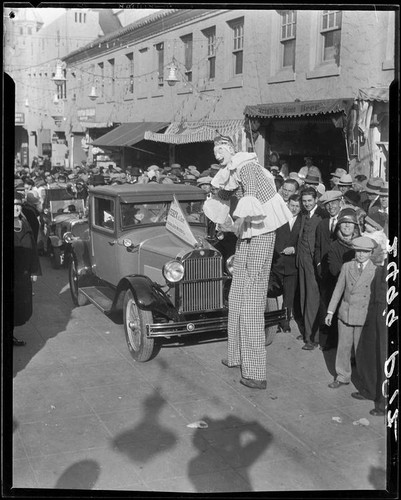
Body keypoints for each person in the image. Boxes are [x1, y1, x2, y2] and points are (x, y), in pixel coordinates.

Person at [205, 134, 292, 389]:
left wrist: (233, 222)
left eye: (219, 149)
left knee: (252, 303)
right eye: (214, 149)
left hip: (262, 233)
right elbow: (225, 194)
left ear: (230, 148)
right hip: (248, 234)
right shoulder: (232, 171)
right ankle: (236, 356)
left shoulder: (248, 167)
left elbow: (250, 200)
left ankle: (256, 373)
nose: (216, 154)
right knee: (236, 297)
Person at [325, 236, 377, 389]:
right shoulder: (347, 267)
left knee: (361, 350)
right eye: (358, 251)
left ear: (371, 253)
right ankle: (342, 376)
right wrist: (330, 312)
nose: (361, 254)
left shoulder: (375, 271)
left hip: (363, 316)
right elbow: (338, 290)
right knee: (343, 347)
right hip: (345, 314)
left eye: (365, 252)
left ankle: (366, 382)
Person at [353, 260, 388, 416]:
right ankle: (370, 389)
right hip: (375, 300)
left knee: (384, 356)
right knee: (367, 348)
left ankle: (384, 402)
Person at [296, 186, 328, 350]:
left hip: (313, 261)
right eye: (304, 201)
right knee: (303, 296)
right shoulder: (303, 213)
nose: (307, 204)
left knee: (313, 299)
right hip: (301, 259)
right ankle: (307, 331)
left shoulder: (322, 215)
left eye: (310, 201)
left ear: (316, 200)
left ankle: (313, 338)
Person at [314, 190, 343, 350]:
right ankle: (330, 340)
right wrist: (318, 264)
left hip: (341, 270)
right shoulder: (322, 224)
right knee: (328, 303)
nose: (331, 206)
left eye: (334, 203)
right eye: (327, 204)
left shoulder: (347, 221)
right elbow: (317, 247)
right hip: (325, 271)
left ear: (340, 203)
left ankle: (340, 342)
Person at [13, 191, 42, 346]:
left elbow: (33, 250)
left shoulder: (25, 222)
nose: (16, 209)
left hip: (23, 274)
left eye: (18, 205)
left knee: (20, 307)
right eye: (13, 206)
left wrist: (34, 271)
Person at [271, 193, 302, 333]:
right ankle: (273, 320)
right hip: (277, 262)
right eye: (292, 205)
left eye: (297, 206)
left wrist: (295, 249)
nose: (294, 209)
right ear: (287, 205)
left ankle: (285, 321)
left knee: (289, 296)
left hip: (292, 265)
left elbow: (306, 242)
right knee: (274, 294)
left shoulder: (303, 221)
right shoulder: (279, 218)